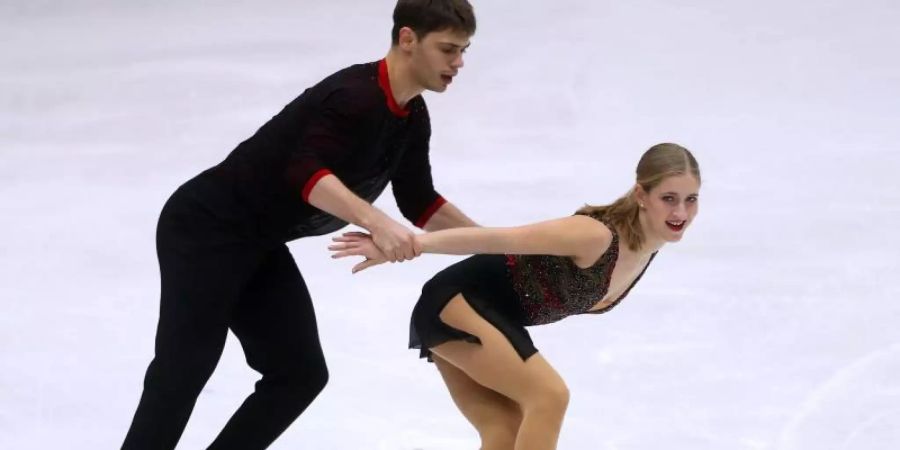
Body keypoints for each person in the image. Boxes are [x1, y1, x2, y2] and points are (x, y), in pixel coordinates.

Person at [121, 1, 479, 448]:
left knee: (299, 374)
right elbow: (305, 173)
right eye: (448, 49)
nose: (459, 63)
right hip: (206, 227)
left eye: (464, 50)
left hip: (259, 241)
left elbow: (420, 202)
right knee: (185, 367)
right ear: (408, 39)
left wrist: (493, 244)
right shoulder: (355, 96)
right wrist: (374, 220)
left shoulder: (411, 116)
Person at [330, 143, 701, 450]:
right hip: (455, 303)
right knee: (549, 395)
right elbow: (498, 239)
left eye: (690, 199)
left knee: (504, 433)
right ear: (642, 194)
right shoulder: (595, 236)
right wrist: (409, 245)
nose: (680, 212)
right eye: (669, 198)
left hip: (481, 313)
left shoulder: (647, 249)